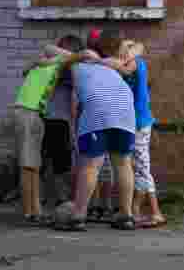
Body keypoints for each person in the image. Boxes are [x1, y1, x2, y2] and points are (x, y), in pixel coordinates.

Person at [53, 31, 137, 231]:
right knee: (123, 163)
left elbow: (49, 51)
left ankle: (78, 216)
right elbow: (135, 47)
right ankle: (126, 216)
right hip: (125, 109)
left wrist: (80, 56)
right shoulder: (110, 64)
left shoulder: (77, 63)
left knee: (90, 166)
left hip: (99, 108)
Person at [92, 39, 165, 227]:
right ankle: (135, 211)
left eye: (123, 49)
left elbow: (127, 65)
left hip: (139, 122)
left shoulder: (134, 63)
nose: (120, 52)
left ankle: (153, 212)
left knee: (141, 166)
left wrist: (96, 61)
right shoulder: (131, 60)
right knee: (137, 165)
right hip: (135, 121)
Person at [11, 37, 74, 225]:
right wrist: (63, 58)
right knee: (29, 165)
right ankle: (32, 213)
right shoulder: (53, 62)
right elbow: (49, 49)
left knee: (33, 166)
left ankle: (34, 211)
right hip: (28, 112)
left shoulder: (45, 65)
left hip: (35, 113)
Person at [38, 34, 85, 208]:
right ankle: (59, 198)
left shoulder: (64, 70)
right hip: (57, 121)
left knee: (50, 162)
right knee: (58, 164)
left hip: (50, 119)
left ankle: (46, 198)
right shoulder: (66, 69)